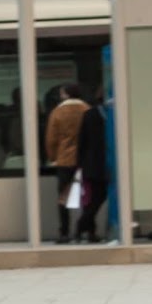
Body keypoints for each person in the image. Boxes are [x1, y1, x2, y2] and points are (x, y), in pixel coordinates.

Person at [45, 83, 90, 244]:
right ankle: (89, 230)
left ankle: (64, 232)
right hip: (85, 159)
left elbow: (51, 139)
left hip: (64, 159)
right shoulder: (87, 109)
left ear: (65, 95)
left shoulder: (57, 112)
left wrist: (53, 157)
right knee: (87, 196)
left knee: (63, 197)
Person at [74, 88, 111, 244]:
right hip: (101, 163)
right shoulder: (113, 115)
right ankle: (82, 227)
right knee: (97, 198)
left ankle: (89, 231)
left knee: (93, 199)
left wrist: (80, 163)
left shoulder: (89, 114)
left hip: (92, 164)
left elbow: (81, 142)